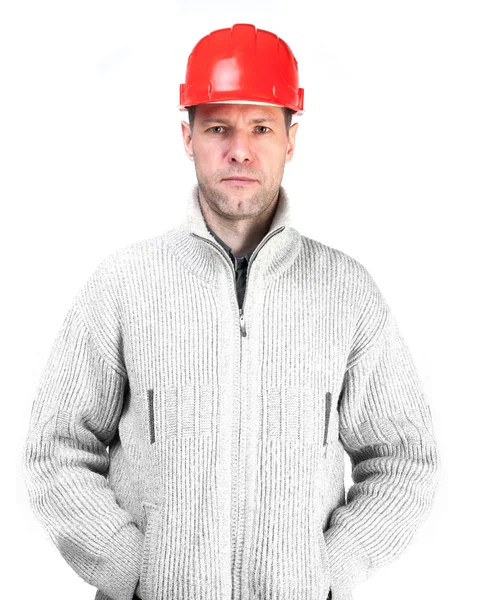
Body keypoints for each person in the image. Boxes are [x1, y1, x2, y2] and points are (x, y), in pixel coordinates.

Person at [22, 23, 440, 600]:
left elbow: (405, 461)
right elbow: (55, 449)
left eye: (261, 127)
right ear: (187, 137)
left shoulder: (347, 294)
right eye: (218, 127)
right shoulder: (123, 284)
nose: (239, 148)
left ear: (291, 140)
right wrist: (133, 570)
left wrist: (327, 571)